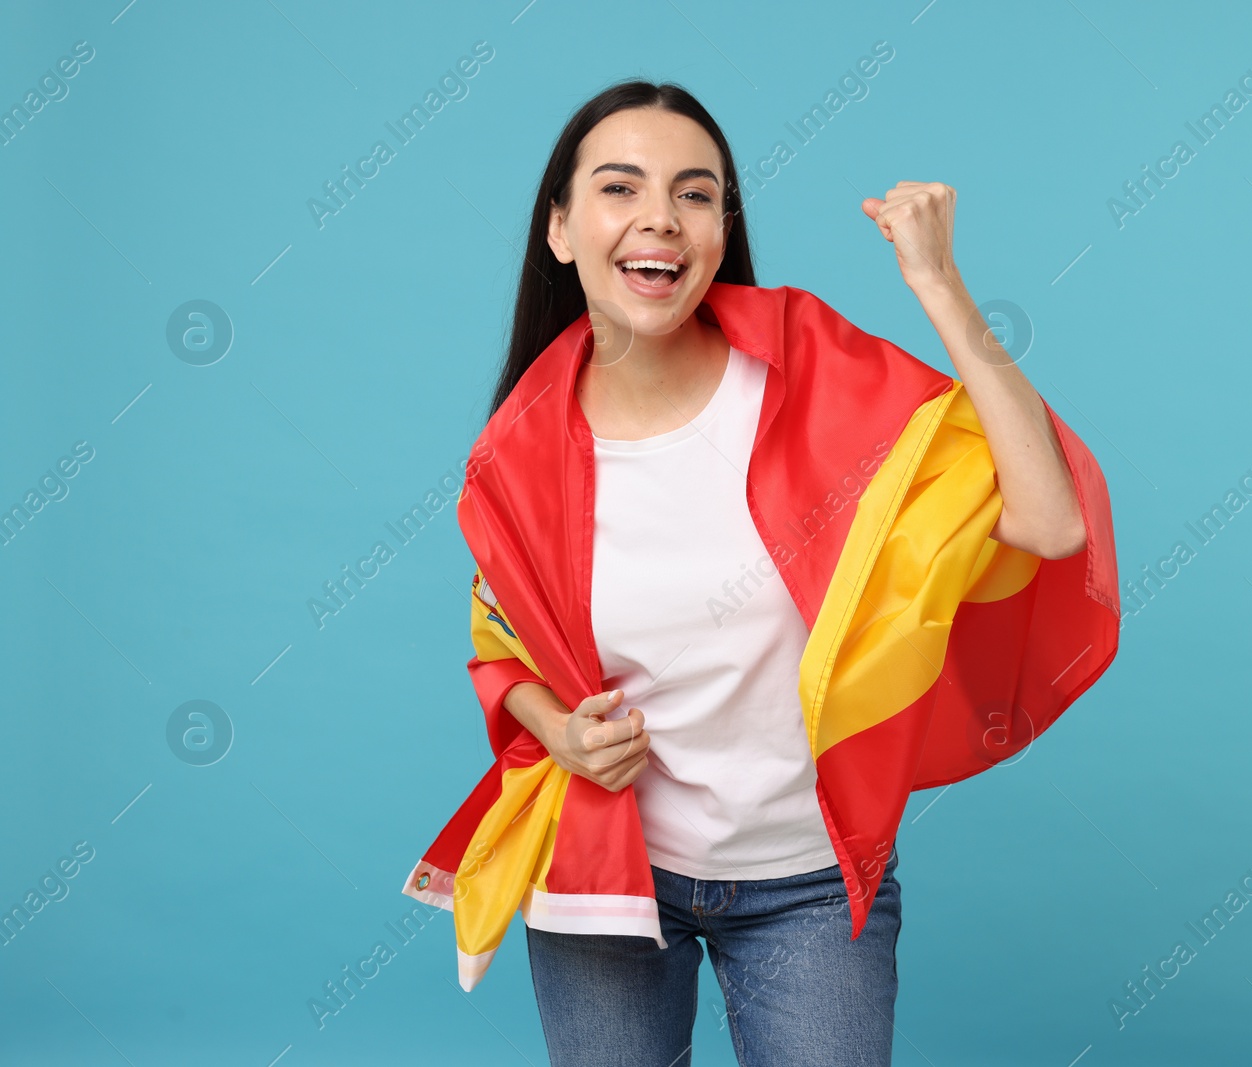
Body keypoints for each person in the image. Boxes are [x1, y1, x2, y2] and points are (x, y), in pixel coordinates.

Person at [402, 78, 1120, 1067]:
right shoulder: (517, 450)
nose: (661, 215)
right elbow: (502, 645)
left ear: (717, 229)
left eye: (695, 193)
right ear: (560, 229)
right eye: (621, 187)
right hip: (609, 869)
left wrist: (941, 286)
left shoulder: (809, 368)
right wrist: (558, 730)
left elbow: (1044, 519)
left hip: (808, 880)